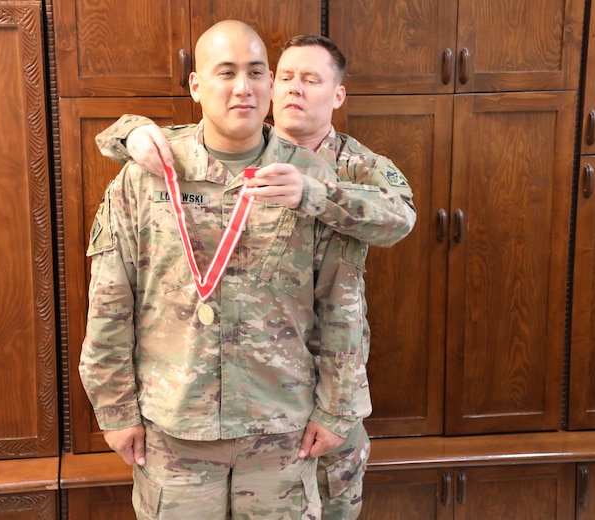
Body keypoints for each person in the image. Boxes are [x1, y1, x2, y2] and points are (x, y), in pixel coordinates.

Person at [95, 34, 417, 520]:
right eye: (286, 77)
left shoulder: (342, 168)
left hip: (292, 408)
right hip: (182, 417)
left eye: (309, 80)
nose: (292, 90)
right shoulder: (168, 163)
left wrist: (314, 194)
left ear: (337, 94)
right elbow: (112, 296)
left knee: (333, 500)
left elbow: (362, 274)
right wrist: (130, 130)